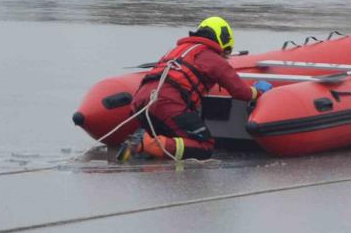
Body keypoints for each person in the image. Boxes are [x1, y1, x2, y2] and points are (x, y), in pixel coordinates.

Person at [115, 16, 273, 162]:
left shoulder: (178, 51)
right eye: (226, 52)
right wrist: (258, 91)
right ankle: (146, 144)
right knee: (204, 146)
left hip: (141, 101)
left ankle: (141, 147)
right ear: (223, 41)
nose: (226, 56)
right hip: (168, 103)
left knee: (169, 135)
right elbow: (240, 92)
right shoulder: (211, 57)